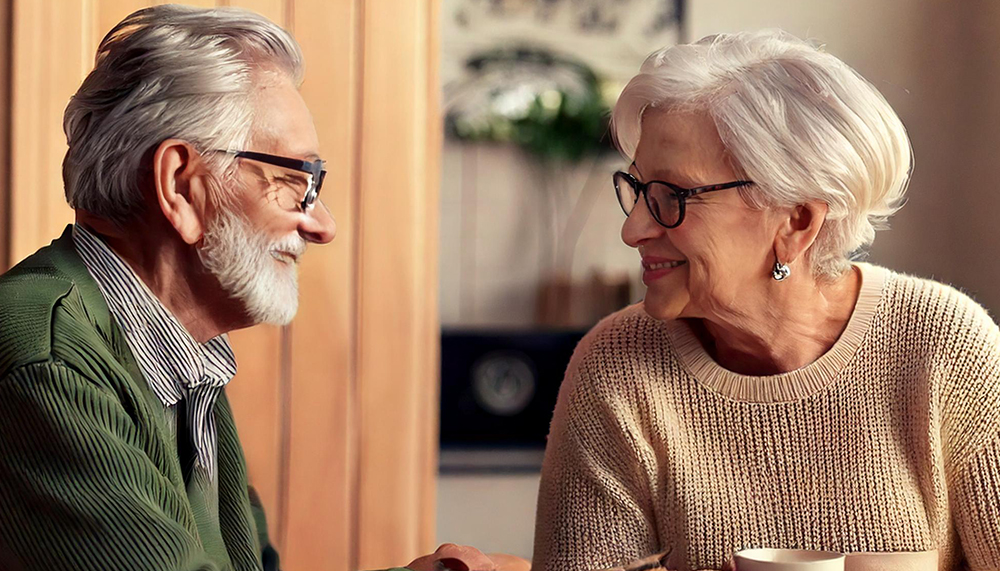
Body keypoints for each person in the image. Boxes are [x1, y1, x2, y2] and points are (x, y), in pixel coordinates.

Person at [0, 6, 497, 571]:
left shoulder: (183, 355)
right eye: (294, 182)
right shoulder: (46, 361)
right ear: (181, 186)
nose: (323, 225)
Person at [532, 30, 1000, 571]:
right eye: (638, 190)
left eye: (671, 197)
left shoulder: (946, 344)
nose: (633, 229)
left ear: (796, 221)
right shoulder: (616, 366)